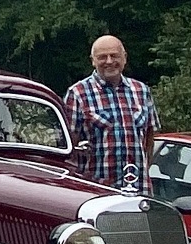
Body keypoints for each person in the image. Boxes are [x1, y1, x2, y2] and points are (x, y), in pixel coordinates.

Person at [63, 34, 159, 190]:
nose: (109, 61)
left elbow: (149, 138)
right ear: (93, 61)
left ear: (124, 58)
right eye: (102, 57)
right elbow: (69, 146)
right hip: (95, 191)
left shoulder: (141, 91)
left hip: (139, 190)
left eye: (114, 56)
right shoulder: (77, 94)